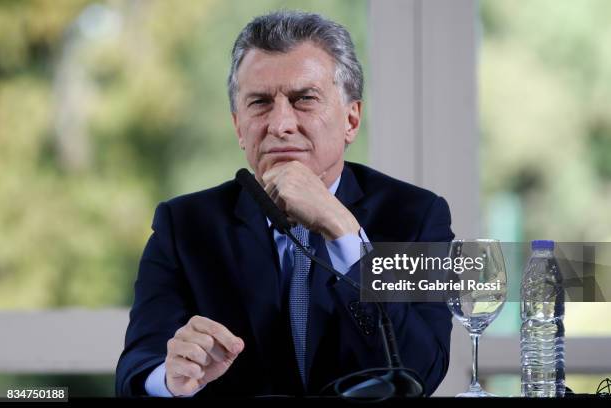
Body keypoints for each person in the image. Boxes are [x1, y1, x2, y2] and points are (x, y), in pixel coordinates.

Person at [115, 10, 454, 398]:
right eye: (259, 103)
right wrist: (170, 378)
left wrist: (344, 233)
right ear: (238, 126)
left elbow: (422, 370)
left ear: (351, 119)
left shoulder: (416, 216)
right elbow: (135, 372)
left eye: (304, 99)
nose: (280, 124)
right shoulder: (184, 226)